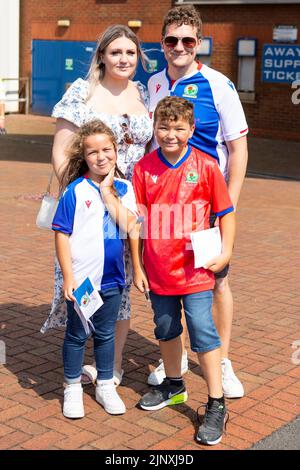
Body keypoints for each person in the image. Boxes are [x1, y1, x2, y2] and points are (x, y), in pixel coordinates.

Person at [40, 25, 153, 386]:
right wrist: (82, 196)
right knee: (83, 281)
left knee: (120, 293)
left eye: (130, 52)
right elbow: (61, 152)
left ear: (138, 57)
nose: (123, 59)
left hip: (128, 208)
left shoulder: (144, 93)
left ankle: (113, 367)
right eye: (116, 52)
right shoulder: (82, 92)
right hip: (89, 210)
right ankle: (77, 358)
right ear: (101, 55)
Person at [146, 5, 248, 398]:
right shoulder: (154, 83)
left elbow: (238, 148)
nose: (179, 47)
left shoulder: (219, 84)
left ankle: (221, 360)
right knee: (166, 282)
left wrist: (229, 205)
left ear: (199, 43)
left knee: (216, 280)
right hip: (164, 209)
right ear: (162, 43)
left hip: (207, 209)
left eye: (188, 40)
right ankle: (174, 361)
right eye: (171, 40)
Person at [132, 96, 235, 445]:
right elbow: (137, 222)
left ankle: (217, 403)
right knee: (164, 326)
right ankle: (174, 386)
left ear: (192, 129)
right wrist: (139, 265)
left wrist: (227, 251)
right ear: (154, 127)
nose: (170, 134)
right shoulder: (144, 168)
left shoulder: (206, 166)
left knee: (202, 329)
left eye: (179, 127)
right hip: (159, 269)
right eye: (163, 126)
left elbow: (226, 213)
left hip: (196, 269)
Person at [52, 119, 139, 418]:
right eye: (93, 152)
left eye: (107, 150)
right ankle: (72, 387)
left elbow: (130, 226)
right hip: (83, 281)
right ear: (84, 156)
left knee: (105, 334)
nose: (101, 157)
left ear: (116, 151)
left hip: (113, 280)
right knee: (77, 334)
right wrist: (69, 277)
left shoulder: (125, 190)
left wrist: (107, 194)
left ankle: (104, 384)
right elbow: (61, 233)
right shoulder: (74, 191)